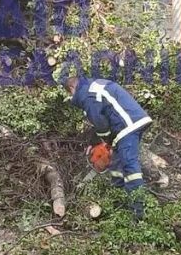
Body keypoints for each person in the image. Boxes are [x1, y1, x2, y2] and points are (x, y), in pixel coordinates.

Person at [63, 76, 152, 220]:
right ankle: (119, 202)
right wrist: (98, 141)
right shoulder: (92, 87)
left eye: (70, 94)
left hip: (127, 125)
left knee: (130, 166)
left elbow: (101, 124)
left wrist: (104, 141)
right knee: (116, 164)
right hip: (127, 124)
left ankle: (138, 213)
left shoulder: (86, 95)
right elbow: (101, 117)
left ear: (72, 88)